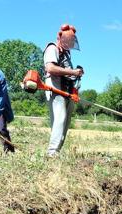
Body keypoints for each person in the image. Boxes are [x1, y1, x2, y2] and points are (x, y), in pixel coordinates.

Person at [43, 24, 84, 156]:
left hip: (67, 91)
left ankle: (57, 150)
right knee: (60, 119)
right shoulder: (52, 48)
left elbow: (66, 72)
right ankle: (52, 152)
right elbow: (50, 68)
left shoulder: (66, 53)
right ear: (60, 37)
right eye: (68, 40)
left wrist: (76, 73)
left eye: (71, 41)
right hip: (55, 89)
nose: (70, 43)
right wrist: (73, 71)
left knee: (65, 122)